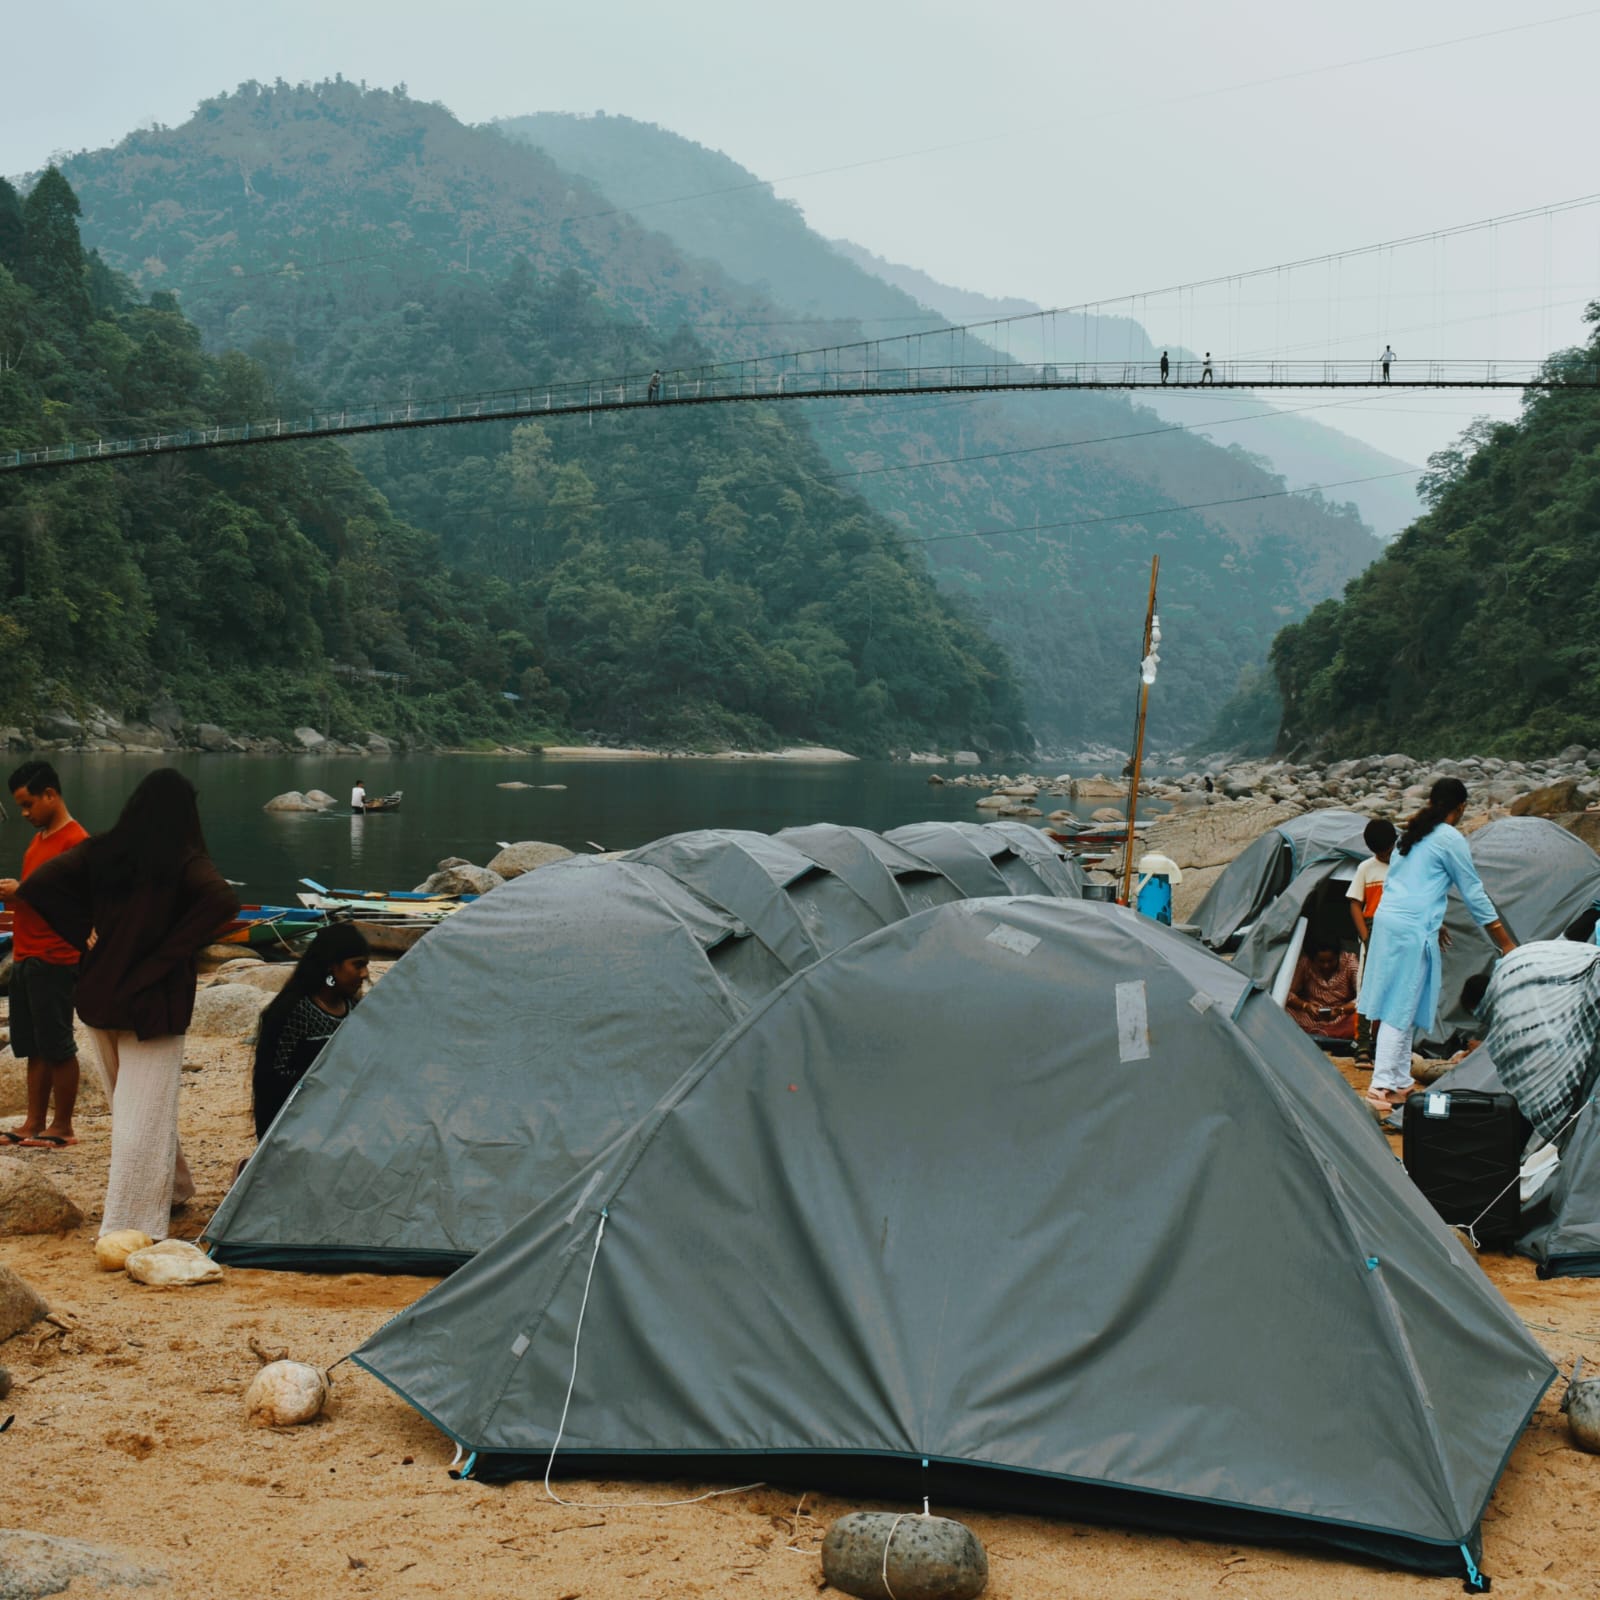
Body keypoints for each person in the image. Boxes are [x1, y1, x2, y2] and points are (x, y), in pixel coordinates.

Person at [15, 768, 239, 1240]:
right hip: (153, 1001)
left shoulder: (103, 849)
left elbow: (37, 887)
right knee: (144, 1114)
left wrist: (82, 930)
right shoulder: (184, 858)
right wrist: (174, 949)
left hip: (100, 994)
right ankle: (130, 1224)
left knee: (136, 1108)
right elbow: (223, 902)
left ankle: (174, 1189)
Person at [1356, 777, 1516, 1114]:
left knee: (1405, 1003)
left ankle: (1399, 1081)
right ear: (1460, 808)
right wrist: (1505, 943)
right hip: (1410, 929)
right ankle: (1381, 1086)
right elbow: (1473, 893)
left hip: (1392, 923)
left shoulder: (1411, 835)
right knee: (1399, 1006)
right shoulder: (1448, 838)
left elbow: (1403, 884)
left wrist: (1436, 920)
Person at [0, 762, 88, 1148]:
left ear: (51, 794)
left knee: (57, 1044)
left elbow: (81, 905)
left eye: (28, 803)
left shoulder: (75, 841)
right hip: (26, 954)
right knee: (32, 1045)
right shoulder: (39, 841)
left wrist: (24, 894)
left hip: (55, 956)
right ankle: (33, 1122)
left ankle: (63, 1127)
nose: (24, 812)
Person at [251, 923, 370, 1142]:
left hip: (342, 1121)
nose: (365, 973)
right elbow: (272, 1079)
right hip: (295, 1127)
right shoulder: (293, 1011)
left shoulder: (353, 1009)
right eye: (358, 965)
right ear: (332, 967)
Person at [1346, 817, 1398, 1059]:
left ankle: (1389, 1044)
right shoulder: (1366, 868)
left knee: (1397, 987)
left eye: (1388, 852)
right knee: (1367, 988)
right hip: (1373, 927)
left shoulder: (1403, 865)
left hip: (1398, 930)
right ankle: (1364, 1044)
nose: (1386, 856)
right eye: (1382, 853)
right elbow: (1355, 903)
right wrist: (1365, 937)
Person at [1285, 942, 1359, 1040]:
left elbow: (1363, 997)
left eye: (1331, 961)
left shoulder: (1350, 962)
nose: (1326, 966)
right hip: (1309, 1016)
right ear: (1313, 959)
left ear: (1338, 956)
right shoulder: (1305, 962)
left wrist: (1340, 1010)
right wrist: (1305, 1006)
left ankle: (1322, 1034)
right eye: (1321, 962)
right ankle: (1326, 1034)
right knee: (1282, 1010)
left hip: (1341, 1017)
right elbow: (1287, 993)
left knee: (1362, 1018)